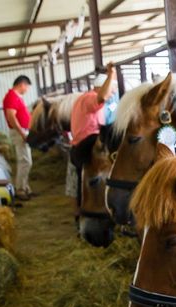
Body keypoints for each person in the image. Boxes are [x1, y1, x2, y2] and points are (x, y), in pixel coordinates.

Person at [69, 63, 117, 213]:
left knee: (82, 181)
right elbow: (102, 97)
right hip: (86, 145)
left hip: (77, 146)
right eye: (111, 90)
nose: (112, 93)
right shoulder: (91, 98)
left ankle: (81, 211)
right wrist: (111, 75)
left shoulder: (82, 98)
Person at [2, 75, 34, 201]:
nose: (27, 90)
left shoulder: (15, 97)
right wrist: (22, 133)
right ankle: (20, 189)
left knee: (26, 161)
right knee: (25, 161)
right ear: (22, 85)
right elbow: (11, 116)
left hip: (22, 131)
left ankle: (25, 187)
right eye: (27, 87)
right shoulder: (12, 97)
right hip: (19, 133)